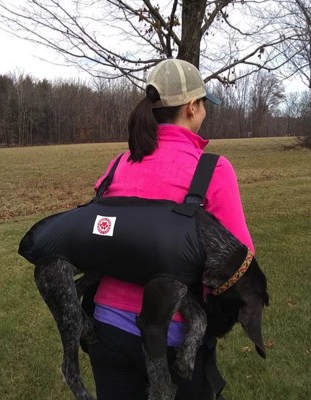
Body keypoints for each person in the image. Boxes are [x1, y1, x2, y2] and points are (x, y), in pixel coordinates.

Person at [86, 58, 255, 400]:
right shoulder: (213, 170)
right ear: (192, 107)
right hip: (176, 337)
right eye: (204, 105)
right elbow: (240, 261)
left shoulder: (119, 164)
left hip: (107, 328)